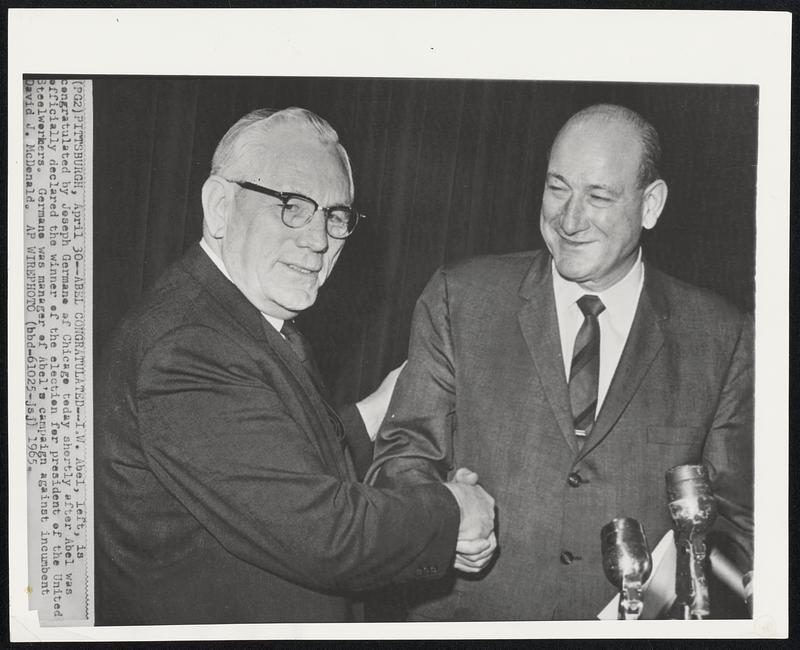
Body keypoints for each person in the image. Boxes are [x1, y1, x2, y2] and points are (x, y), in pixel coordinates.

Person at [94, 107, 497, 625]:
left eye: (334, 215)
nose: (318, 239)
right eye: (291, 205)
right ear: (220, 207)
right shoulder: (189, 346)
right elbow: (326, 535)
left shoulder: (232, 319)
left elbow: (274, 463)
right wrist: (452, 511)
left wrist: (375, 411)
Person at [367, 104, 754, 620]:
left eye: (598, 196)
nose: (569, 220)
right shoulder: (460, 298)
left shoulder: (722, 336)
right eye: (557, 188)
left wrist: (668, 606)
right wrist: (441, 518)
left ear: (651, 205)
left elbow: (739, 523)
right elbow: (400, 457)